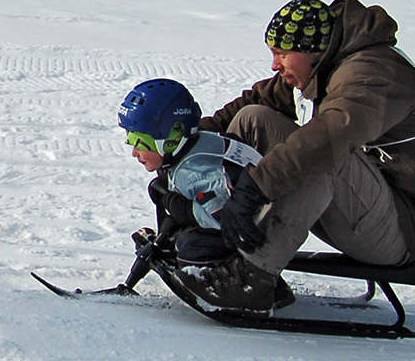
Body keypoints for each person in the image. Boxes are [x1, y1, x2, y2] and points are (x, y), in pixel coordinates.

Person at [172, 0, 415, 312]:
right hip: (360, 207)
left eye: (281, 54)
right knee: (253, 119)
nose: (275, 64)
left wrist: (255, 188)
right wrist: (182, 145)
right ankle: (218, 242)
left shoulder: (372, 76)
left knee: (319, 155)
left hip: (397, 231)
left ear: (312, 50)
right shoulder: (327, 64)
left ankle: (252, 276)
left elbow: (326, 141)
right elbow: (257, 101)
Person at [118, 77, 296, 310]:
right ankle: (171, 242)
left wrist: (185, 210)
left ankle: (245, 285)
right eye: (130, 139)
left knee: (190, 246)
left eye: (140, 141)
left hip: (253, 234)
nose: (134, 152)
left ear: (171, 138)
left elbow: (225, 221)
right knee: (161, 190)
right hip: (248, 218)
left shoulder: (195, 172)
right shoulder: (195, 146)